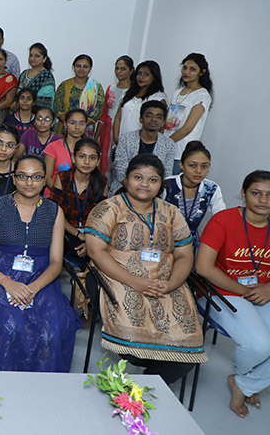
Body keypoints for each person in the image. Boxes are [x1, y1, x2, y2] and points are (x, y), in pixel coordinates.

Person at [85, 154, 207, 384]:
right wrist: (135, 281)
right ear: (126, 179)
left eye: (153, 180)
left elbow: (184, 255)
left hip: (165, 281)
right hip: (119, 277)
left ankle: (142, 388)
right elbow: (95, 251)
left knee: (187, 350)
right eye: (138, 177)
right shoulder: (109, 208)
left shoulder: (171, 212)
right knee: (134, 346)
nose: (144, 184)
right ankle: (141, 386)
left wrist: (171, 284)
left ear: (161, 184)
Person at [0, 155, 80, 371]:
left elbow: (56, 262)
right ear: (14, 179)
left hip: (41, 277)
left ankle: (38, 383)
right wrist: (7, 283)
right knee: (9, 325)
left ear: (44, 180)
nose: (29, 182)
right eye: (23, 176)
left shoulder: (54, 211)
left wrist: (33, 288)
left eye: (36, 177)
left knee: (52, 329)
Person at [196, 170, 270, 418]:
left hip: (262, 293)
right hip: (222, 291)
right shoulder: (223, 220)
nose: (263, 200)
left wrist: (268, 288)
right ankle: (248, 381)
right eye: (256, 193)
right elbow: (203, 267)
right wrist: (243, 290)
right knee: (259, 345)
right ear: (243, 194)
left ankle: (244, 384)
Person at [50, 138, 108, 266]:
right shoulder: (63, 178)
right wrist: (78, 234)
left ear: (98, 161)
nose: (86, 162)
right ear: (74, 158)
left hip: (91, 234)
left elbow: (102, 219)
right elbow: (54, 213)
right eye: (82, 156)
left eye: (92, 158)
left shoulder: (102, 182)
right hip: (64, 230)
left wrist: (89, 240)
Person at [163, 141, 225, 248]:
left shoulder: (212, 188)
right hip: (162, 240)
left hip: (191, 244)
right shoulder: (167, 184)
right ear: (181, 165)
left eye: (204, 166)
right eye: (192, 165)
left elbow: (221, 219)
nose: (198, 171)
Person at [111, 100, 174, 195]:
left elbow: (166, 174)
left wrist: (149, 194)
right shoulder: (126, 138)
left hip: (153, 192)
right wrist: (134, 192)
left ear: (163, 122)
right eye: (149, 115)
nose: (154, 119)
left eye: (159, 117)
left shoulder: (169, 144)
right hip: (125, 188)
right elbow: (120, 169)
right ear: (141, 119)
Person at [166, 53, 214, 174]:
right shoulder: (178, 92)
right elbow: (168, 121)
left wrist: (165, 143)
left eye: (192, 69)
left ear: (202, 72)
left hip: (182, 152)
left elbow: (187, 128)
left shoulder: (202, 95)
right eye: (185, 68)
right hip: (168, 149)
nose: (186, 72)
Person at [113, 60, 167, 144]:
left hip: (142, 144)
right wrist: (116, 138)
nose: (141, 77)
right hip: (122, 142)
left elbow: (160, 126)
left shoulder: (158, 98)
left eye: (146, 74)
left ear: (154, 77)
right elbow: (118, 118)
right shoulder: (129, 93)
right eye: (139, 73)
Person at [99, 56, 133, 177]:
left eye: (123, 69)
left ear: (131, 70)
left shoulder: (133, 91)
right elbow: (104, 112)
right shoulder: (111, 88)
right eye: (117, 68)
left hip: (122, 128)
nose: (119, 72)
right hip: (107, 128)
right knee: (104, 158)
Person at [54, 54, 105, 136]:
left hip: (86, 130)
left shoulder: (96, 87)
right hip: (64, 129)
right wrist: (69, 124)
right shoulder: (64, 85)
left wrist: (81, 125)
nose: (81, 69)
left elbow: (98, 109)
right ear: (73, 67)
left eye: (85, 66)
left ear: (90, 68)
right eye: (78, 66)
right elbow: (57, 107)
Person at [44, 108, 88, 190]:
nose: (77, 127)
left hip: (81, 194)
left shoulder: (90, 149)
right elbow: (48, 177)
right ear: (65, 124)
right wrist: (59, 194)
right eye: (72, 123)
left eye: (82, 123)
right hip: (54, 193)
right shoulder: (53, 147)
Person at [17, 43, 55, 110]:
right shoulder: (24, 73)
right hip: (21, 112)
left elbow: (46, 100)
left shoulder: (47, 76)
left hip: (39, 113)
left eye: (37, 56)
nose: (32, 58)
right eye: (31, 55)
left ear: (44, 59)